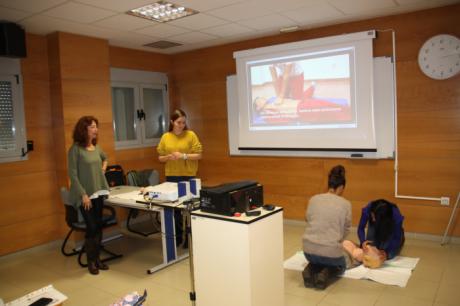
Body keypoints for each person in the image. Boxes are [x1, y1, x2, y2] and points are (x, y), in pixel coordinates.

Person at [68, 116, 109, 275]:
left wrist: (103, 169)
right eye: (92, 127)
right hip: (84, 195)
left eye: (96, 126)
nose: (96, 129)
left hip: (98, 192)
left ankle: (97, 259)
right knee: (91, 227)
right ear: (84, 129)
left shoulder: (96, 147)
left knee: (98, 226)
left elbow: (105, 158)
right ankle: (91, 261)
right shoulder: (75, 149)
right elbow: (73, 175)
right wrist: (83, 195)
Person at [157, 109, 202, 247]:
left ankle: (190, 239)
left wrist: (183, 156)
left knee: (190, 207)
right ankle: (176, 238)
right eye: (178, 122)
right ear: (172, 122)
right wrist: (168, 157)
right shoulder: (166, 137)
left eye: (183, 122)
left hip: (188, 175)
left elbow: (199, 155)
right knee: (175, 208)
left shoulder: (191, 135)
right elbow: (160, 158)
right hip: (172, 175)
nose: (181, 125)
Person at [302, 165, 351, 289]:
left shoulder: (313, 199)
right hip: (330, 252)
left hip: (308, 251)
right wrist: (336, 239)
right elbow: (346, 230)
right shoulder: (346, 204)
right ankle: (326, 274)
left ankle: (309, 270)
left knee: (318, 258)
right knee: (342, 264)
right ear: (341, 187)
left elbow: (308, 219)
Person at [343, 199, 405, 267]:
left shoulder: (396, 216)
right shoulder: (368, 209)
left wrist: (386, 253)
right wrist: (363, 241)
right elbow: (361, 228)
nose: (372, 218)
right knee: (372, 248)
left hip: (389, 228)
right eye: (372, 215)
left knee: (390, 254)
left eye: (374, 217)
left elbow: (397, 238)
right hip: (376, 227)